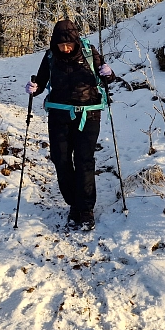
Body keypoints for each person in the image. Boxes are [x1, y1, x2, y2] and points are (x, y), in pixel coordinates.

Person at [25, 20, 114, 230]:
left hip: (88, 115)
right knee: (61, 159)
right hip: (58, 115)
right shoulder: (50, 57)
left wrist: (108, 73)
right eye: (61, 45)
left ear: (75, 41)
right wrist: (33, 88)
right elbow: (41, 82)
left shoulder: (89, 53)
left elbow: (106, 78)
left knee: (84, 160)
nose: (65, 49)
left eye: (69, 45)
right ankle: (73, 202)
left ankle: (85, 209)